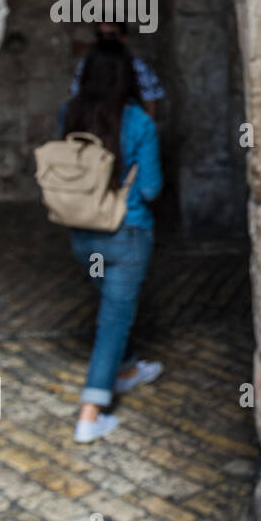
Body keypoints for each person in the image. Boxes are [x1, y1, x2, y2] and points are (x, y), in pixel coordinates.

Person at [61, 38, 164, 443]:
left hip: (83, 236)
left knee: (112, 309)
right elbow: (152, 187)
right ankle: (91, 413)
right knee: (112, 320)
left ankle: (126, 368)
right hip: (127, 234)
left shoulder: (68, 114)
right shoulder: (138, 121)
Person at [70, 21, 165, 120]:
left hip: (127, 124)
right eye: (100, 35)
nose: (105, 40)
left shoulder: (138, 66)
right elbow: (76, 97)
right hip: (93, 124)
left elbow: (151, 103)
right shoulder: (86, 64)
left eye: (111, 35)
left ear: (124, 38)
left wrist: (144, 130)